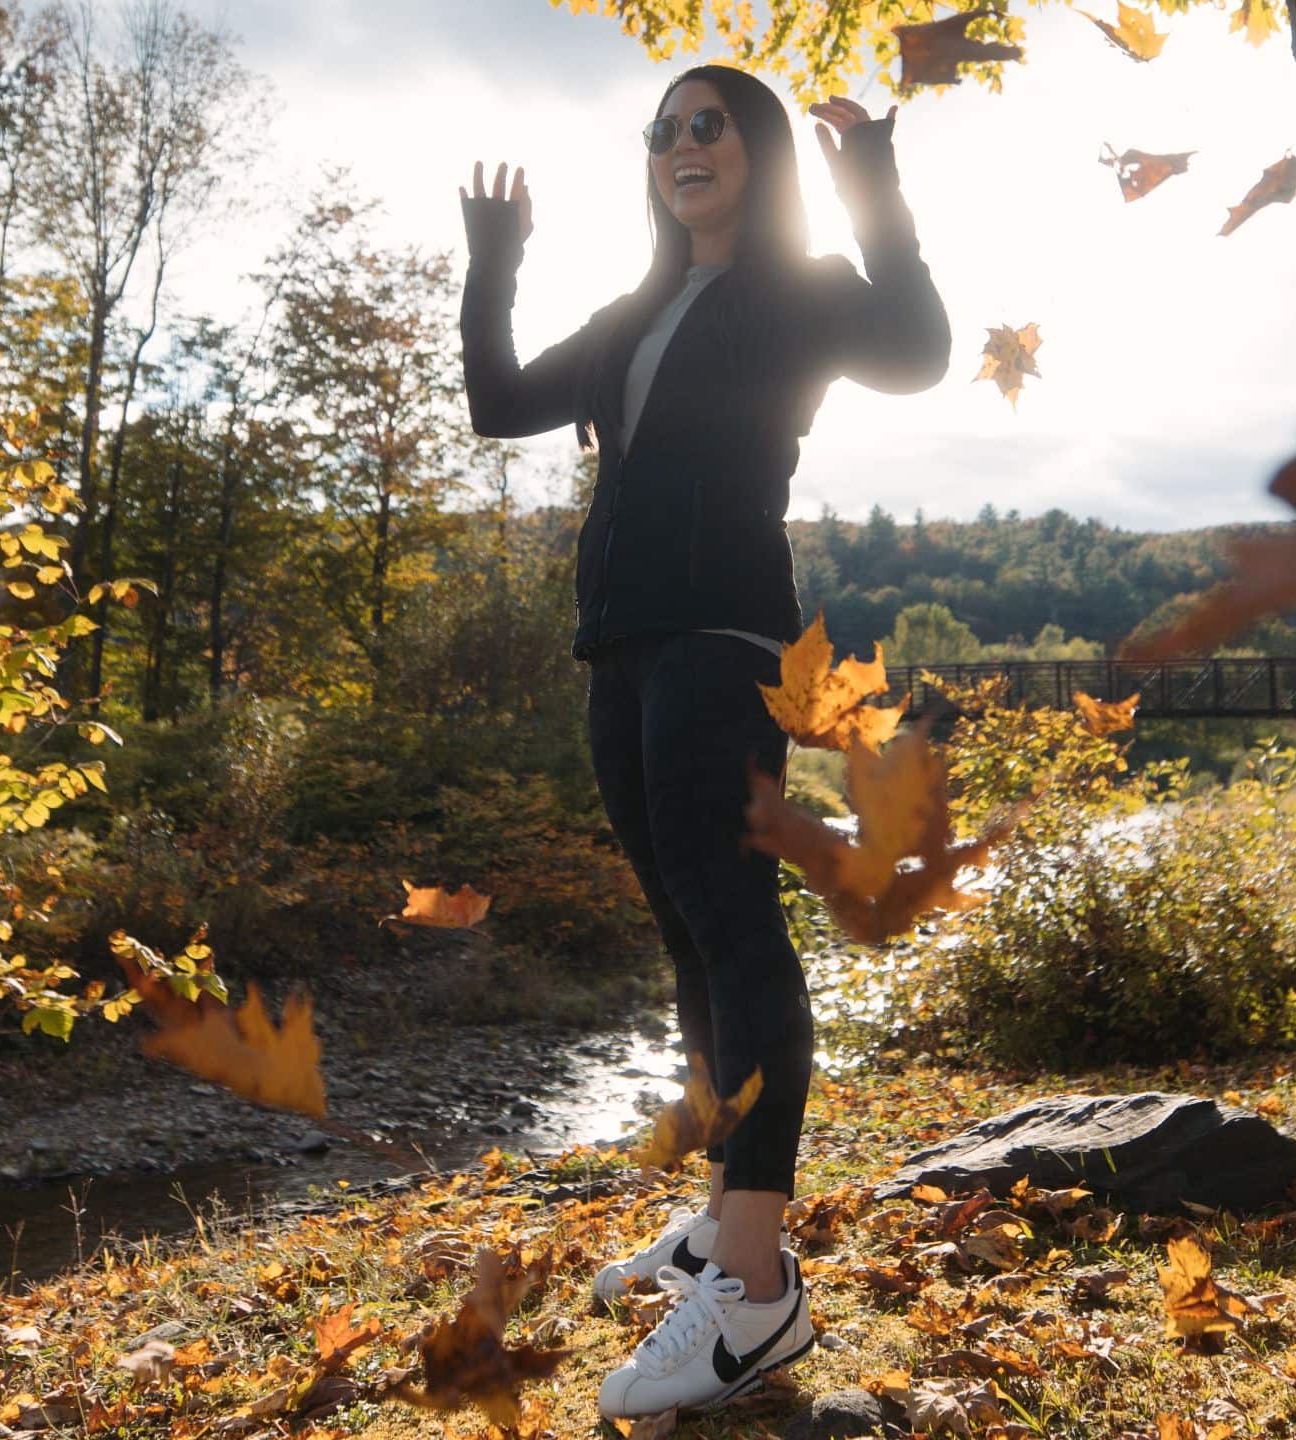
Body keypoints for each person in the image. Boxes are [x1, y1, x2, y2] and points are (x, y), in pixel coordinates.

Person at [458, 63, 949, 1418]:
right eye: (664, 128)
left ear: (757, 151)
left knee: (734, 926)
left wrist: (874, 189)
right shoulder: (636, 310)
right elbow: (497, 402)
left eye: (709, 124)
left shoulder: (799, 289)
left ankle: (754, 1286)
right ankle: (724, 1203)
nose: (682, 143)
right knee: (686, 932)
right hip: (619, 649)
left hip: (725, 640)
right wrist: (494, 260)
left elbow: (919, 351)